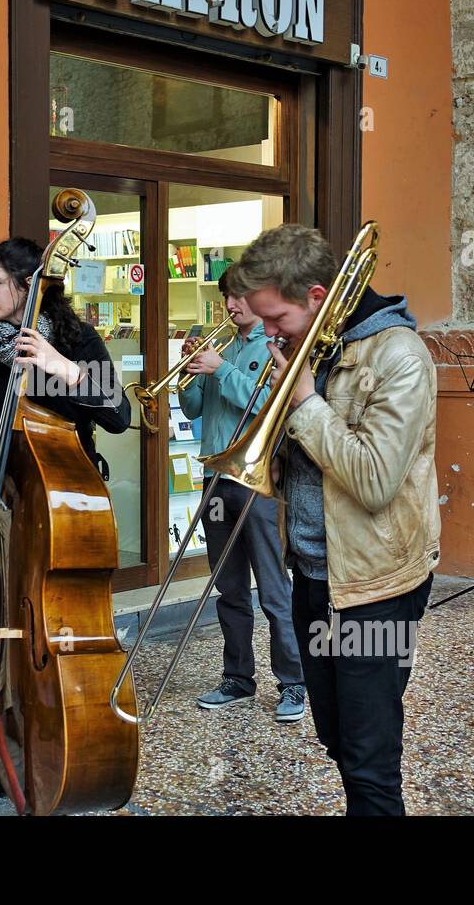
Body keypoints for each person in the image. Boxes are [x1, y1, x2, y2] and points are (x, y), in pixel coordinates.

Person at [225, 224, 440, 816]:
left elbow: (373, 480)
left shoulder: (399, 356)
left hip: (376, 585)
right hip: (316, 574)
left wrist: (304, 404)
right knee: (337, 739)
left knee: (371, 759)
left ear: (317, 298)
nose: (267, 331)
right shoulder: (315, 349)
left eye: (276, 317)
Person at [0, 237, 131, 813]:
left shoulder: (75, 340)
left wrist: (63, 369)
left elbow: (120, 415)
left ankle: (61, 745)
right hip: (3, 510)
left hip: (60, 510)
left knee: (55, 637)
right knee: (4, 638)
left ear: (30, 286)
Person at [177, 273, 306, 721]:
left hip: (255, 481)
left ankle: (293, 682)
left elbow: (268, 405)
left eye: (238, 297)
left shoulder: (276, 350)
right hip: (215, 476)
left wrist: (222, 370)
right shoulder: (224, 348)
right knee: (228, 585)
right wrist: (191, 374)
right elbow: (194, 410)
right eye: (226, 297)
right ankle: (238, 677)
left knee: (272, 586)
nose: (230, 305)